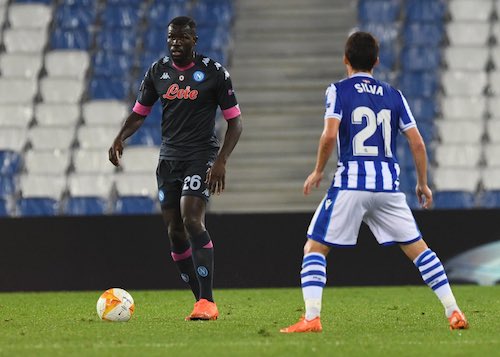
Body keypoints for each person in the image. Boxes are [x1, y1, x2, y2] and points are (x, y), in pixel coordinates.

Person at [280, 31, 468, 333]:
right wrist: (423, 183)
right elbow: (417, 143)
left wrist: (317, 170)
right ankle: (453, 311)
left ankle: (312, 317)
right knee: (420, 250)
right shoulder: (394, 95)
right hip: (387, 187)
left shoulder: (338, 90)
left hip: (352, 183)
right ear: (377, 62)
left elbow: (330, 134)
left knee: (314, 248)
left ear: (345, 60)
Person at [109, 16, 242, 321]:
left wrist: (221, 160)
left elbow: (235, 122)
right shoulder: (158, 71)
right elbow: (139, 113)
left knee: (191, 219)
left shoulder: (213, 73)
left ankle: (208, 300)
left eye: (182, 38)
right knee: (175, 233)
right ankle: (201, 301)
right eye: (171, 38)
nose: (175, 43)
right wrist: (120, 137)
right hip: (168, 160)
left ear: (194, 40)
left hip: (201, 157)